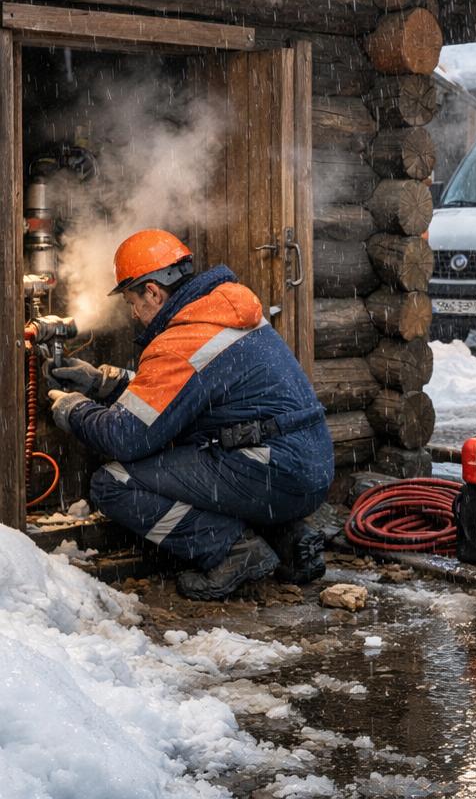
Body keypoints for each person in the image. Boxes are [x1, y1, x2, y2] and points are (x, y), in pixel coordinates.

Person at [47, 229, 334, 601]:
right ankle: (285, 536)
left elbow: (127, 436)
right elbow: (186, 394)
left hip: (274, 470)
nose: (133, 314)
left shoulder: (183, 340)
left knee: (113, 483)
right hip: (309, 466)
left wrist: (75, 410)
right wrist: (106, 383)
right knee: (198, 457)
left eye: (132, 301)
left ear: (153, 291)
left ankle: (232, 552)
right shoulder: (220, 308)